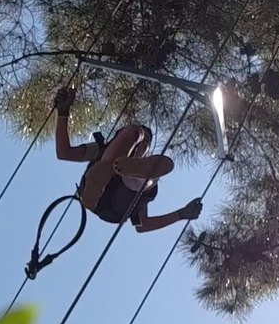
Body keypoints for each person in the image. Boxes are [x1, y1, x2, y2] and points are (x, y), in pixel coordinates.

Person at [52, 87, 202, 232]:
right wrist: (63, 112)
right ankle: (110, 171)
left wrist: (182, 214)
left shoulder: (142, 167)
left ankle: (131, 173)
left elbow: (142, 224)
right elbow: (64, 153)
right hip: (105, 198)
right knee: (135, 135)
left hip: (117, 203)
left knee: (149, 181)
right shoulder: (101, 148)